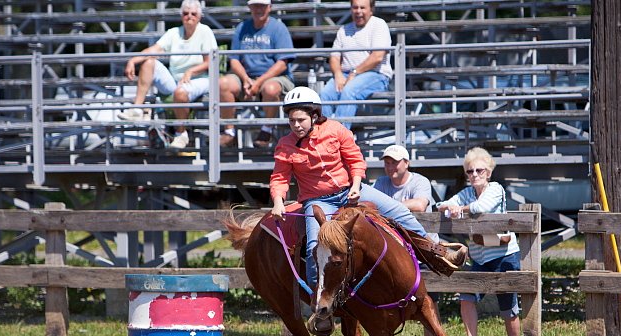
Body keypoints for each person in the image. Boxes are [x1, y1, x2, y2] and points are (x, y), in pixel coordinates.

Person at [269, 87, 438, 293]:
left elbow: (355, 160)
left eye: (301, 120)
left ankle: (434, 252)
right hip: (318, 202)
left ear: (314, 116)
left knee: (399, 212)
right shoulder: (285, 145)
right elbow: (280, 177)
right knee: (316, 244)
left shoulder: (336, 130)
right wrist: (278, 202)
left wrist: (356, 186)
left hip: (350, 191)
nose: (296, 125)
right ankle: (319, 296)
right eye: (292, 121)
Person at [437, 147, 523, 336]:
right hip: (480, 256)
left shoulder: (496, 189)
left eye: (479, 170)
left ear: (489, 172)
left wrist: (459, 210)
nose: (474, 175)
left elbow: (480, 207)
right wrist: (451, 207)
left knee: (508, 305)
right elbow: (442, 204)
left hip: (504, 255)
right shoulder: (467, 192)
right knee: (466, 296)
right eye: (470, 171)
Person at [118, 0, 217, 149]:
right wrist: (133, 60)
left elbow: (210, 62)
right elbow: (154, 50)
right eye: (185, 13)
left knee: (181, 92)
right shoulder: (173, 32)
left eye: (193, 13)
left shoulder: (205, 31)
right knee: (149, 62)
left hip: (199, 79)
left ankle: (181, 134)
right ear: (181, 15)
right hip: (176, 79)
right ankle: (137, 108)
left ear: (199, 16)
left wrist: (191, 71)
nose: (189, 16)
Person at [373, 144, 438, 336]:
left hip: (421, 248)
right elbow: (370, 207)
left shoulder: (419, 181)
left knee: (428, 302)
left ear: (406, 163)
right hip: (396, 250)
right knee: (383, 297)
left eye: (395, 162)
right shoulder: (382, 182)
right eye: (387, 162)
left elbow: (420, 205)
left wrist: (389, 204)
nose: (390, 166)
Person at [219, 0, 295, 148]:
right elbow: (234, 59)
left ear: (269, 7)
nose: (258, 9)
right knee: (222, 83)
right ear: (249, 7)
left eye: (262, 5)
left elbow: (282, 63)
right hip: (246, 77)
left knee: (270, 89)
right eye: (255, 5)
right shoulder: (242, 27)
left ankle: (267, 130)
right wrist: (246, 79)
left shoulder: (279, 28)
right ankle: (229, 132)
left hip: (275, 77)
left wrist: (258, 82)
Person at [320, 0, 392, 130]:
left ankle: (339, 139)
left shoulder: (379, 25)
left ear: (371, 9)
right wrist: (338, 74)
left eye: (362, 8)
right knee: (325, 94)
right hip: (347, 74)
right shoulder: (344, 29)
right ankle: (323, 138)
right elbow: (334, 57)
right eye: (355, 7)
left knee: (349, 91)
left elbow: (377, 57)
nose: (358, 11)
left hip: (376, 74)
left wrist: (354, 72)